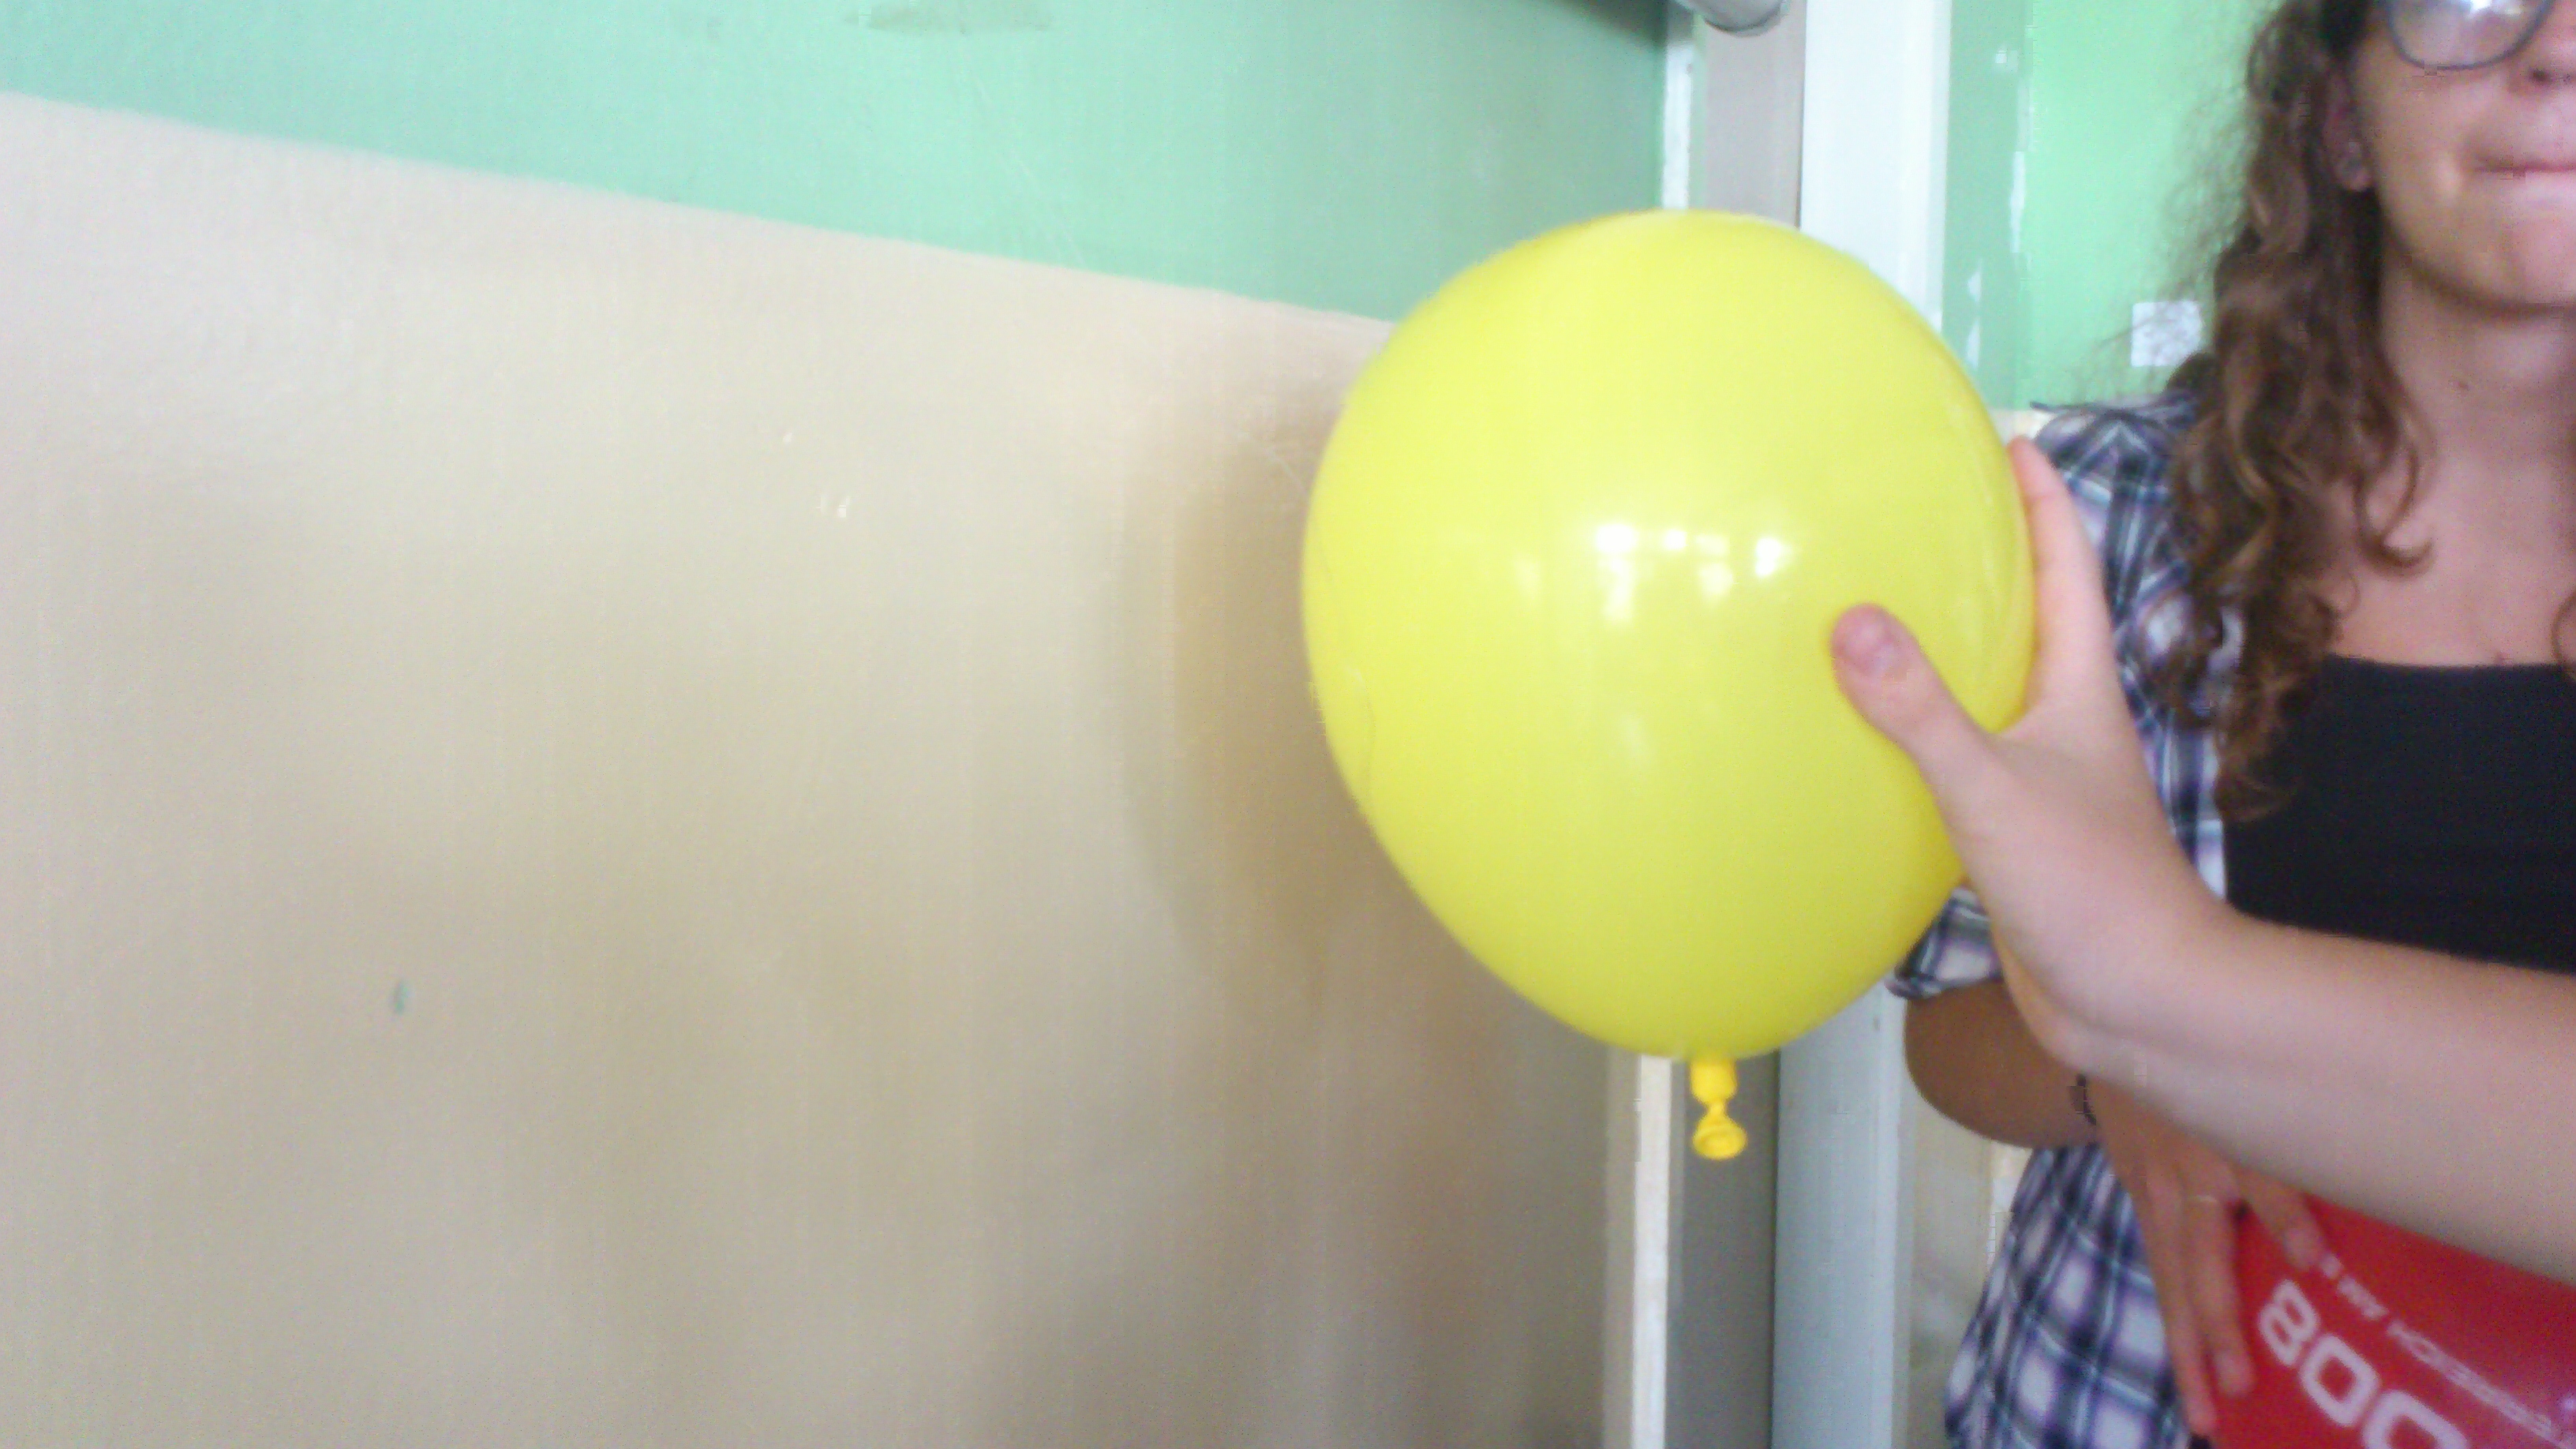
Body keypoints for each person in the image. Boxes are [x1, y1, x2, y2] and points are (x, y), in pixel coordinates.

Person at [1836, 1, 2576, 1443]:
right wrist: (2118, 1076)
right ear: (2342, 126)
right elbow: (1947, 1032)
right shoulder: (2102, 513)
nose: (2559, 47)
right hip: (2125, 1393)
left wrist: (2182, 1015)